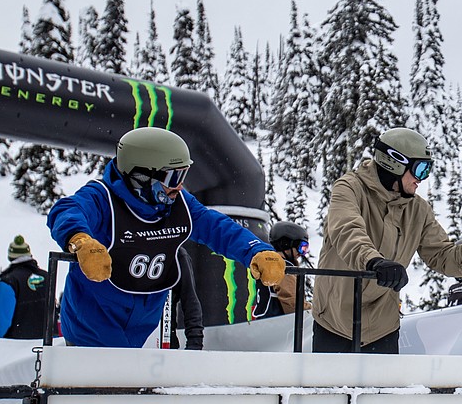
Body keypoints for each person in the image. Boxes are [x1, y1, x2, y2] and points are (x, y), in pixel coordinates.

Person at [46, 127, 284, 349]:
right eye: (173, 177)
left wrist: (256, 249)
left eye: (184, 175)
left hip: (143, 331)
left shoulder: (176, 205)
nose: (179, 187)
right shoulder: (103, 198)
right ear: (140, 176)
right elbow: (66, 210)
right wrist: (81, 240)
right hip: (92, 329)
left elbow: (216, 226)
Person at [313, 128, 462, 353]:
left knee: (382, 389)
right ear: (395, 163)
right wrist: (374, 262)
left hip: (382, 328)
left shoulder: (417, 209)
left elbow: (441, 255)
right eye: (420, 169)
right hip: (335, 321)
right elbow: (347, 230)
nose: (422, 179)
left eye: (428, 169)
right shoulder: (349, 189)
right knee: (330, 388)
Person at [253, 221, 312, 319]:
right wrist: (313, 312)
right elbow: (293, 305)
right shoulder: (283, 267)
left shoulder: (267, 263)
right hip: (278, 325)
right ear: (286, 244)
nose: (301, 253)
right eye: (301, 247)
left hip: (262, 322)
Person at [0, 235, 51, 339]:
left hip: (17, 348)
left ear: (10, 256)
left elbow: (3, 321)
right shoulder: (47, 277)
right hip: (47, 346)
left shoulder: (9, 281)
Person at [169, 246, 204, 350]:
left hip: (164, 344)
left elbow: (190, 301)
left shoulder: (177, 253)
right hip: (127, 340)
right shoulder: (123, 245)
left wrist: (195, 343)